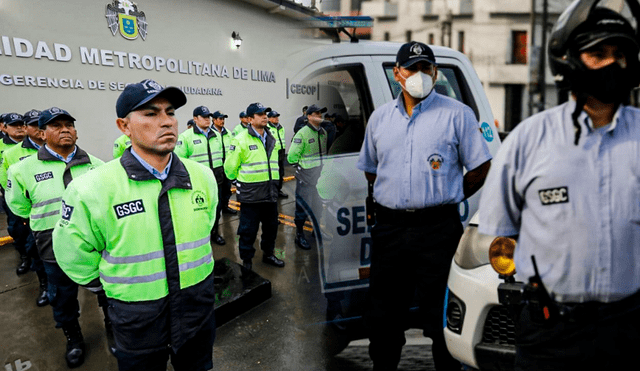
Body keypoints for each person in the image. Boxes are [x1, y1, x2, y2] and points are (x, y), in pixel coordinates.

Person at [479, 5, 640, 370]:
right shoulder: (527, 140)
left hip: (628, 331)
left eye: (620, 55)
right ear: (568, 61)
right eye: (598, 54)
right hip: (549, 334)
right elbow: (500, 232)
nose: (612, 64)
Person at [52, 79, 218, 371]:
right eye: (151, 114)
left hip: (196, 308)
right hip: (137, 318)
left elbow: (205, 228)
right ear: (124, 126)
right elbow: (73, 254)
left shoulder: (202, 177)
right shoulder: (91, 188)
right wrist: (114, 289)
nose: (166, 122)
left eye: (170, 112)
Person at [357, 41, 492, 371]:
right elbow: (372, 170)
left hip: (438, 230)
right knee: (384, 318)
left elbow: (480, 167)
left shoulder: (457, 114)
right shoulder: (380, 119)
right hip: (390, 230)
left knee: (441, 319)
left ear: (435, 71)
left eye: (426, 68)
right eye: (412, 68)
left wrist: (446, 196)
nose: (420, 75)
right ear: (397, 74)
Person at [6, 107, 106, 368]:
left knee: (106, 290)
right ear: (42, 133)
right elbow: (18, 206)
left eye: (69, 125)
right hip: (52, 245)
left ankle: (114, 329)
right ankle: (73, 338)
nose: (65, 130)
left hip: (95, 244)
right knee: (61, 295)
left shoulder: (96, 165)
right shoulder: (23, 169)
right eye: (56, 125)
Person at [224, 102, 284, 270]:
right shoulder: (240, 139)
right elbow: (229, 169)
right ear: (250, 119)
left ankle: (269, 254)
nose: (265, 116)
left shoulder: (272, 137)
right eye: (260, 114)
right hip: (251, 196)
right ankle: (247, 262)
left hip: (270, 193)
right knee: (247, 231)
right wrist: (241, 183)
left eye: (266, 113)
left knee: (271, 228)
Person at [1, 109, 48, 306]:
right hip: (30, 210)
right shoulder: (13, 153)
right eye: (34, 125)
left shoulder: (59, 148)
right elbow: (6, 181)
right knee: (33, 247)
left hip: (55, 210)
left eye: (42, 124)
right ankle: (44, 285)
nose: (39, 129)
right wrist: (24, 211)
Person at [174, 105, 226, 245]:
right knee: (197, 210)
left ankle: (214, 233)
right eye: (203, 117)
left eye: (208, 117)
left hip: (216, 180)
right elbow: (179, 161)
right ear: (195, 119)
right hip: (196, 182)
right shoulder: (186, 137)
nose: (207, 120)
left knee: (216, 208)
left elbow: (220, 156)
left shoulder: (216, 135)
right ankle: (200, 236)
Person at [288, 104, 328, 250]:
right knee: (302, 209)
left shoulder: (323, 132)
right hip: (306, 178)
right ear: (309, 116)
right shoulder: (302, 134)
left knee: (318, 207)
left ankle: (316, 232)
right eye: (316, 113)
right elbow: (292, 157)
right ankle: (299, 235)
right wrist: (302, 170)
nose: (319, 116)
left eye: (321, 113)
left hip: (319, 178)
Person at [0, 113, 30, 275]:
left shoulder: (36, 146)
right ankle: (25, 256)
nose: (19, 127)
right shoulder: (2, 148)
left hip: (34, 196)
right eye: (14, 124)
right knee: (17, 228)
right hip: (12, 195)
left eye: (21, 124)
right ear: (3, 127)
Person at [211, 110, 237, 216]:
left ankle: (225, 207)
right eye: (220, 119)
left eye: (223, 119)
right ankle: (216, 212)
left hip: (226, 164)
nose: (222, 121)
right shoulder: (210, 133)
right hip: (216, 166)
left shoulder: (228, 133)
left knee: (227, 188)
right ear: (214, 120)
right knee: (217, 190)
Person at [267, 110, 288, 198]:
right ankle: (271, 191)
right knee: (273, 173)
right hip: (273, 153)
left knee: (281, 172)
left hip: (281, 152)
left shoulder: (281, 127)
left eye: (277, 117)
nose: (276, 119)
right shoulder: (267, 128)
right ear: (269, 118)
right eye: (274, 117)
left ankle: (278, 190)